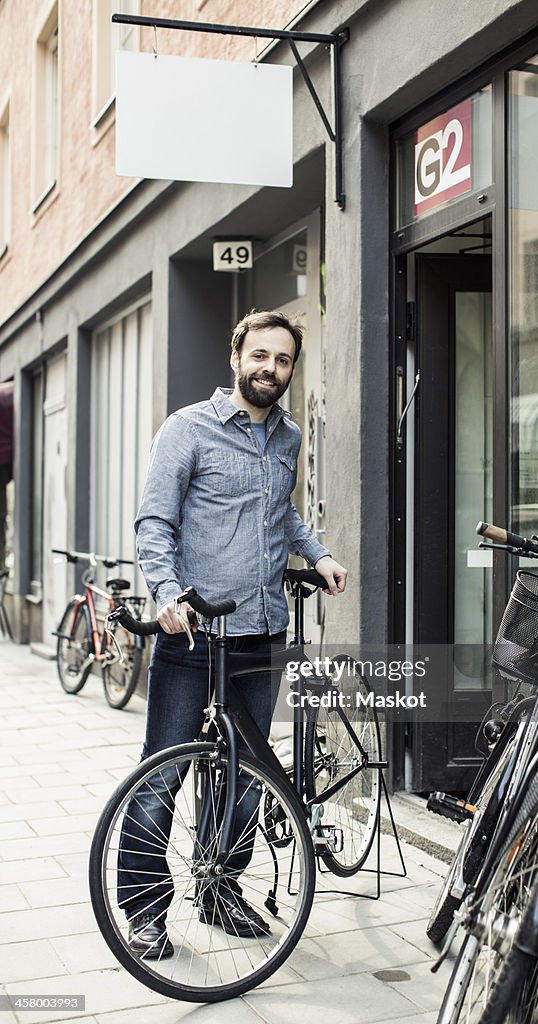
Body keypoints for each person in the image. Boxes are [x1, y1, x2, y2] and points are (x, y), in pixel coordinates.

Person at [119, 309, 347, 959]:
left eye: (282, 360)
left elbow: (282, 514)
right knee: (160, 775)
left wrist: (318, 552)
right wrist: (167, 596)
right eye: (259, 356)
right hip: (192, 633)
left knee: (249, 774)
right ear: (235, 357)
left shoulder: (288, 437)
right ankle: (143, 912)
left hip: (261, 631)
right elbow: (154, 524)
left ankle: (219, 890)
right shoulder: (186, 430)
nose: (269, 369)